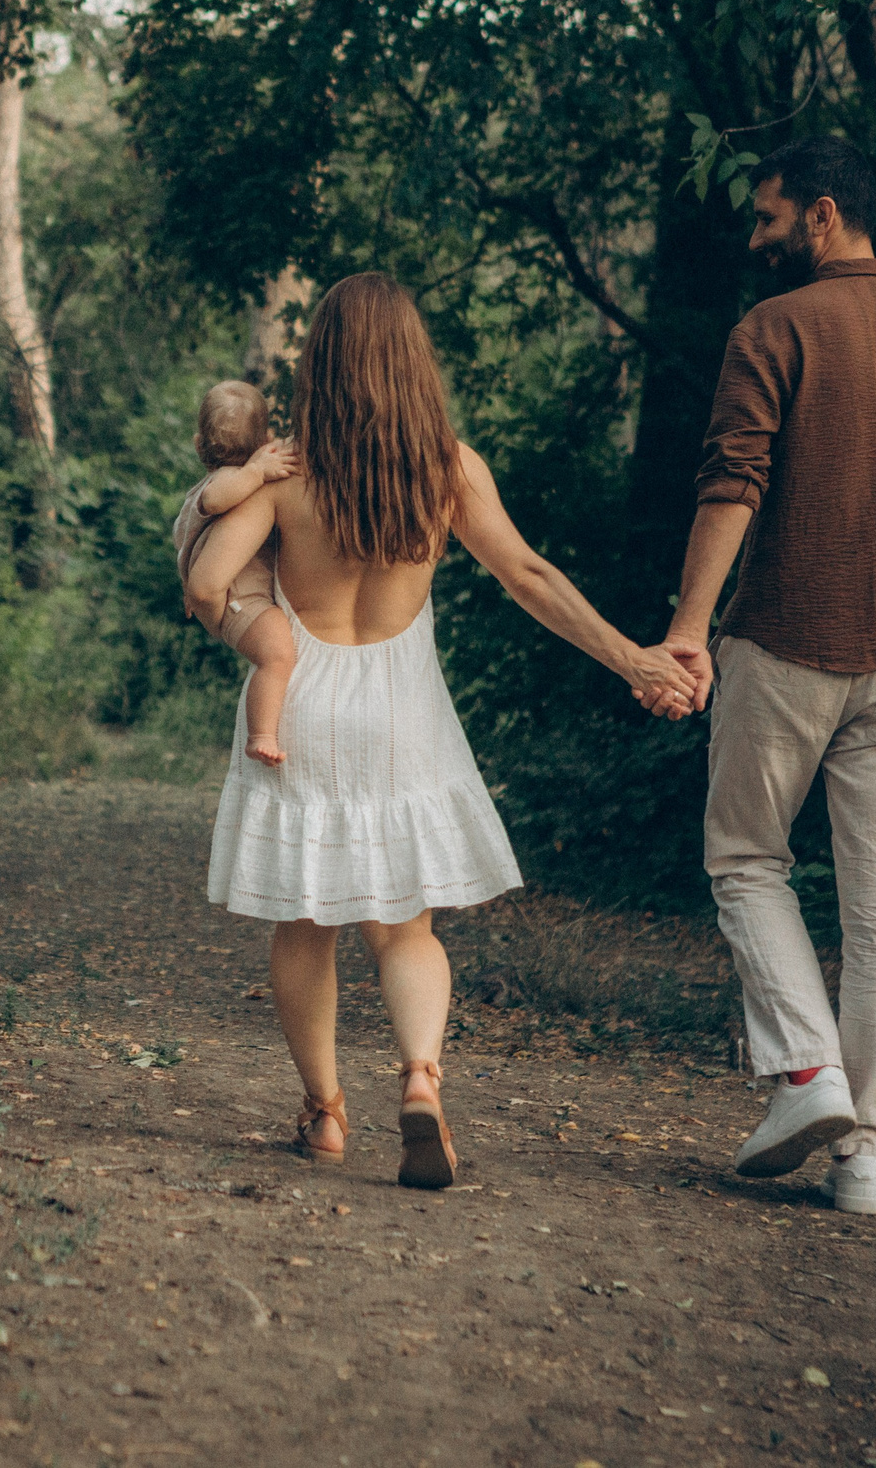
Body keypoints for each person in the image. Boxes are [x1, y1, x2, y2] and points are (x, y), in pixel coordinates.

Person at [186, 273, 698, 1189]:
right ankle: (421, 1074)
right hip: (402, 708)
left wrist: (244, 627)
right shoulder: (449, 469)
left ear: (324, 364)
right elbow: (531, 577)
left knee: (306, 920)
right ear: (411, 361)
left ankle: (327, 1113)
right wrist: (634, 659)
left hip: (301, 694)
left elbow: (207, 583)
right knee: (405, 924)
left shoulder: (291, 470)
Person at [659, 137, 876, 1217]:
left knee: (746, 859)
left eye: (766, 219)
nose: (755, 238)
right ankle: (867, 1162)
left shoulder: (774, 329)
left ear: (817, 215)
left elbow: (733, 484)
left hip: (785, 642)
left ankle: (807, 1075)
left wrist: (686, 625)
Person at [173, 380, 303, 767]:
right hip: (237, 599)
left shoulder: (237, 476)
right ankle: (261, 734)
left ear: (199, 445)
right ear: (264, 439)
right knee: (277, 657)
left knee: (277, 656)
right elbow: (215, 499)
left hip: (235, 598)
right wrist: (257, 472)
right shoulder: (225, 482)